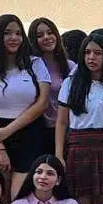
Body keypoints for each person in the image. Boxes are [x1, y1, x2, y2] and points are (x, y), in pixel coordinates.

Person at [0, 13, 53, 197]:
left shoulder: (35, 63)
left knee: (19, 197)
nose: (14, 38)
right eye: (8, 33)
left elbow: (42, 103)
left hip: (30, 133)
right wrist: (0, 148)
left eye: (18, 33)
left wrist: (8, 130)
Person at [55, 29, 103, 204]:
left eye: (98, 53)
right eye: (88, 52)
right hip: (78, 148)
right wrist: (59, 154)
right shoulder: (71, 83)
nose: (92, 57)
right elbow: (61, 122)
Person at [28, 16, 73, 157]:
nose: (46, 37)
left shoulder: (71, 67)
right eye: (40, 35)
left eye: (50, 32)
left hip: (66, 129)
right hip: (37, 129)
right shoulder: (29, 66)